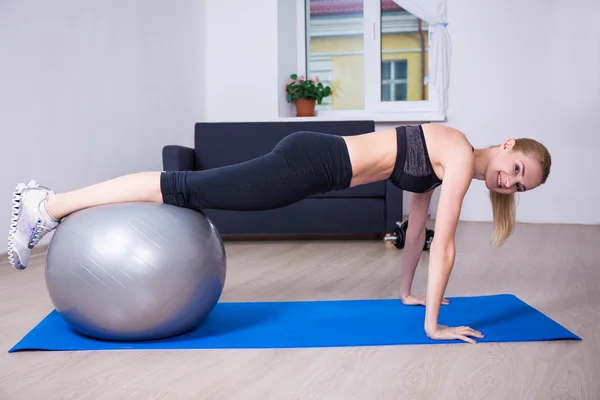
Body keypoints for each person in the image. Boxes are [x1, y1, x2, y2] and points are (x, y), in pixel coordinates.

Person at [7, 123, 551, 343]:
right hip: (313, 164)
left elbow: (417, 233)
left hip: (313, 163)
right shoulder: (457, 154)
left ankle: (51, 206)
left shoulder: (446, 156)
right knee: (184, 187)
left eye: (520, 188)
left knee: (189, 188)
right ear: (508, 146)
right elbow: (447, 244)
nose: (510, 183)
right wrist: (434, 326)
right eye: (519, 170)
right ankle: (48, 204)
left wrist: (407, 294)